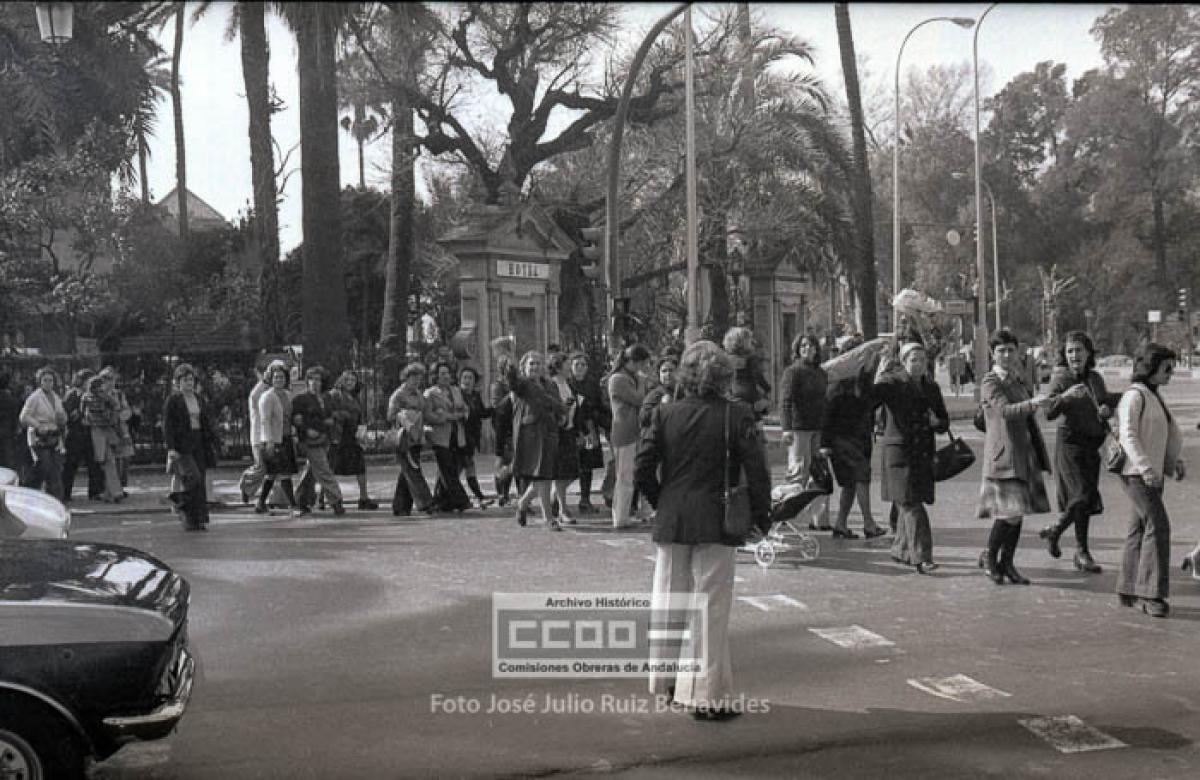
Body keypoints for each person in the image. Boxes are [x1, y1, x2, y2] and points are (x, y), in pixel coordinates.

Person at [636, 340, 770, 721]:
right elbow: (756, 471)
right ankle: (706, 695)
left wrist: (662, 501)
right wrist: (763, 516)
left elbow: (642, 469)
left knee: (668, 601)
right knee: (710, 607)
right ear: (725, 377)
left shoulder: (665, 414)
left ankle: (664, 683)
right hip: (717, 517)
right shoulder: (737, 414)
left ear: (686, 375)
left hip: (673, 517)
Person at [1039, 331, 1121, 573]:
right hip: (1070, 445)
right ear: (1065, 355)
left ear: (1088, 353)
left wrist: (1120, 401)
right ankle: (1068, 539)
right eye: (1070, 351)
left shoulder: (1095, 378)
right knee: (1082, 495)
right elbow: (1049, 412)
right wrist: (1065, 397)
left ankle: (1077, 548)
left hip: (1092, 445)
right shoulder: (1061, 379)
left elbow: (1104, 400)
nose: (1075, 355)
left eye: (1079, 350)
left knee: (1084, 501)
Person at [977, 328, 1053, 585]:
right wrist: (1034, 403)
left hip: (1023, 453)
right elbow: (1005, 410)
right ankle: (990, 556)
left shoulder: (1017, 380)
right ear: (992, 354)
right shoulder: (990, 381)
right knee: (1007, 513)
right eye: (1001, 351)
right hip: (1004, 455)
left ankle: (1007, 562)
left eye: (1011, 350)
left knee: (1018, 513)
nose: (1007, 355)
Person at [1115, 343, 1185, 618]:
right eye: (1166, 368)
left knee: (1139, 527)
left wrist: (1173, 462)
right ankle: (1150, 593)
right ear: (1151, 367)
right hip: (1137, 473)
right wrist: (1145, 468)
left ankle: (1128, 587)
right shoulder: (1134, 396)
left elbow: (1162, 434)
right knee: (1158, 526)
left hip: (1150, 473)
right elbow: (1128, 436)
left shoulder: (1153, 395)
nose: (1171, 373)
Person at [874, 340, 949, 574]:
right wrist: (879, 373)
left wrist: (938, 423)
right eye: (913, 360)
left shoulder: (931, 387)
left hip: (922, 452)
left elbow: (943, 420)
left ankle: (901, 549)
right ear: (904, 362)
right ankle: (922, 556)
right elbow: (872, 397)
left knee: (907, 502)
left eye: (922, 360)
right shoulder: (893, 384)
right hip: (899, 452)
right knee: (911, 503)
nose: (919, 365)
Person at [821, 353, 885, 540]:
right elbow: (827, 417)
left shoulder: (864, 384)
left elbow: (873, 403)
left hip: (860, 439)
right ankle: (868, 523)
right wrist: (824, 444)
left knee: (850, 484)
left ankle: (841, 524)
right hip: (843, 440)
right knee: (861, 478)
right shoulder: (837, 388)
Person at [506, 350, 565, 530]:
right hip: (530, 435)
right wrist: (509, 363)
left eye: (538, 363)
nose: (535, 367)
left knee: (543, 475)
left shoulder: (550, 385)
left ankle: (522, 504)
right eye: (531, 363)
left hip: (549, 432)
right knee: (542, 477)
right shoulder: (523, 385)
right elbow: (512, 381)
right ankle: (548, 519)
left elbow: (556, 405)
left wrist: (561, 416)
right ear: (524, 367)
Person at [780, 334, 830, 530]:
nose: (807, 348)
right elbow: (785, 401)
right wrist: (786, 428)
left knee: (819, 474)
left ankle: (819, 519)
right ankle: (783, 514)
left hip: (817, 426)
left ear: (817, 349)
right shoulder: (793, 372)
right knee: (798, 472)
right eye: (803, 345)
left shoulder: (820, 373)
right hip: (799, 427)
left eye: (810, 345)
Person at [163, 363, 218, 531]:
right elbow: (167, 426)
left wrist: (215, 441)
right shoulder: (173, 400)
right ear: (178, 382)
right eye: (185, 380)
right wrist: (171, 448)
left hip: (199, 442)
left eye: (191, 380)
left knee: (199, 480)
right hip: (182, 445)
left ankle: (198, 519)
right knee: (192, 478)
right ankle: (181, 505)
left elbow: (206, 422)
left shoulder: (198, 398)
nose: (189, 383)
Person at [607, 344, 651, 528]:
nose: (643, 369)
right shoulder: (618, 379)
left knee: (633, 474)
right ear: (633, 361)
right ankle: (620, 517)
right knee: (624, 476)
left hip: (635, 430)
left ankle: (633, 513)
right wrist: (642, 382)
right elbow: (639, 399)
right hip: (624, 431)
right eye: (641, 364)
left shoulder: (629, 377)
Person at [292, 366, 346, 516]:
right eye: (311, 379)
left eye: (318, 380)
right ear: (307, 381)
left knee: (312, 471)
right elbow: (296, 420)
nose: (314, 383)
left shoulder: (326, 398)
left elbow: (331, 416)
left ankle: (301, 499)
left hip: (324, 438)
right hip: (309, 440)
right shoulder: (301, 399)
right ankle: (336, 500)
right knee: (323, 469)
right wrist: (306, 429)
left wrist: (332, 420)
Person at [423, 361, 472, 513]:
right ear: (435, 376)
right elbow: (427, 415)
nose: (445, 376)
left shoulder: (456, 390)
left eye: (447, 373)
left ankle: (441, 500)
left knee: (451, 468)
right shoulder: (430, 393)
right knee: (447, 469)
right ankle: (462, 500)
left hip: (457, 434)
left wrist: (464, 414)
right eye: (442, 373)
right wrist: (446, 417)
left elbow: (465, 407)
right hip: (439, 436)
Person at [387, 363, 435, 516]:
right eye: (413, 379)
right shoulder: (399, 395)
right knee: (413, 470)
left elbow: (426, 413)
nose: (416, 382)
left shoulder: (419, 394)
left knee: (407, 471)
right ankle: (426, 503)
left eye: (418, 379)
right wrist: (405, 415)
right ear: (406, 378)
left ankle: (400, 506)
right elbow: (390, 415)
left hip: (417, 437)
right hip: (404, 439)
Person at [255, 361, 300, 515]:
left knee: (273, 474)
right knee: (283, 473)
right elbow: (265, 420)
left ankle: (260, 503)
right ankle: (293, 505)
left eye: (281, 377)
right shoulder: (267, 397)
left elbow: (289, 416)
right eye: (276, 377)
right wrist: (268, 441)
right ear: (271, 379)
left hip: (286, 437)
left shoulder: (287, 395)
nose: (279, 380)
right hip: (273, 439)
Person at [329, 370, 379, 510]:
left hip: (353, 436)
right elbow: (328, 412)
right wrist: (340, 415)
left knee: (360, 467)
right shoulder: (335, 395)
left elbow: (359, 416)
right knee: (332, 467)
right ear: (341, 381)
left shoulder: (355, 397)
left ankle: (363, 498)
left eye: (353, 380)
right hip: (339, 435)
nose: (350, 382)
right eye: (347, 380)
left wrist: (363, 431)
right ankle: (325, 497)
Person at [18, 366, 67, 500]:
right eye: (45, 380)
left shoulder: (56, 397)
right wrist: (38, 425)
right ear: (40, 381)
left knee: (55, 469)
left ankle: (55, 499)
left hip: (54, 436)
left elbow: (61, 415)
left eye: (51, 380)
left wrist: (63, 419)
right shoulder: (35, 397)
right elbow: (23, 416)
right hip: (39, 437)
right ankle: (28, 493)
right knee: (43, 467)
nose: (48, 383)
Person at [568, 353, 605, 515]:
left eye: (583, 365)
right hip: (573, 429)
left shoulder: (592, 385)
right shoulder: (568, 385)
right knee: (570, 466)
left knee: (587, 465)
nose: (580, 368)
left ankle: (585, 499)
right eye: (577, 365)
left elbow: (599, 405)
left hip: (590, 428)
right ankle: (557, 499)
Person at [546, 353, 580, 524]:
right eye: (568, 364)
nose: (570, 367)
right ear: (559, 366)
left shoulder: (568, 383)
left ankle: (547, 496)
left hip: (569, 430)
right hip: (558, 432)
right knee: (561, 472)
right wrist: (563, 409)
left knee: (572, 471)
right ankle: (563, 509)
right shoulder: (551, 385)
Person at [60, 368, 101, 503]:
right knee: (71, 464)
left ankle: (94, 492)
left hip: (89, 432)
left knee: (93, 464)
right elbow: (67, 414)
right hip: (75, 433)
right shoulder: (73, 394)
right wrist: (79, 412)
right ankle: (66, 493)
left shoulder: (94, 394)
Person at [82, 373, 123, 503]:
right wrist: (111, 417)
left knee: (105, 461)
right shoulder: (105, 396)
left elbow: (83, 413)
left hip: (97, 429)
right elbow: (116, 406)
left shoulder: (86, 397)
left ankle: (112, 491)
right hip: (105, 429)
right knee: (108, 461)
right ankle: (112, 491)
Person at [457, 367, 494, 509]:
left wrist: (495, 408)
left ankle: (476, 497)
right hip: (460, 436)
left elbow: (482, 413)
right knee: (463, 468)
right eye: (465, 377)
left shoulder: (475, 396)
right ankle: (478, 497)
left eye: (470, 378)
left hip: (472, 437)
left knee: (464, 468)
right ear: (460, 380)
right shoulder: (457, 395)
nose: (467, 381)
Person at [238, 363, 271, 505]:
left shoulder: (272, 391)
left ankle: (263, 501)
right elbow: (254, 396)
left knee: (271, 470)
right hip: (258, 437)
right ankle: (246, 485)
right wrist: (264, 380)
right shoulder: (257, 394)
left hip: (272, 436)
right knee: (261, 468)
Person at [723, 327, 771, 420]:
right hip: (749, 395)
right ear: (743, 342)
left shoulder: (725, 359)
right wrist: (767, 388)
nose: (752, 342)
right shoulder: (751, 358)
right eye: (749, 339)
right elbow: (758, 376)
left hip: (732, 395)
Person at [490, 355, 516, 508]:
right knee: (504, 459)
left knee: (514, 461)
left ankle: (509, 494)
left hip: (516, 426)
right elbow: (497, 406)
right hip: (503, 427)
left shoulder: (515, 383)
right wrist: (511, 394)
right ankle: (502, 493)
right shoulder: (497, 385)